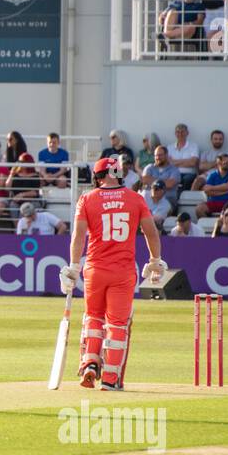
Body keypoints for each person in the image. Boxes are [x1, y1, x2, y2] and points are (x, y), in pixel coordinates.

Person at [60, 157, 165, 392]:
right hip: (123, 271)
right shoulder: (136, 199)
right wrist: (155, 260)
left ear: (98, 177)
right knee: (117, 325)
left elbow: (78, 236)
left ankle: (89, 363)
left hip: (95, 269)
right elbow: (151, 232)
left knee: (94, 319)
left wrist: (74, 266)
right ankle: (110, 379)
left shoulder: (87, 199)